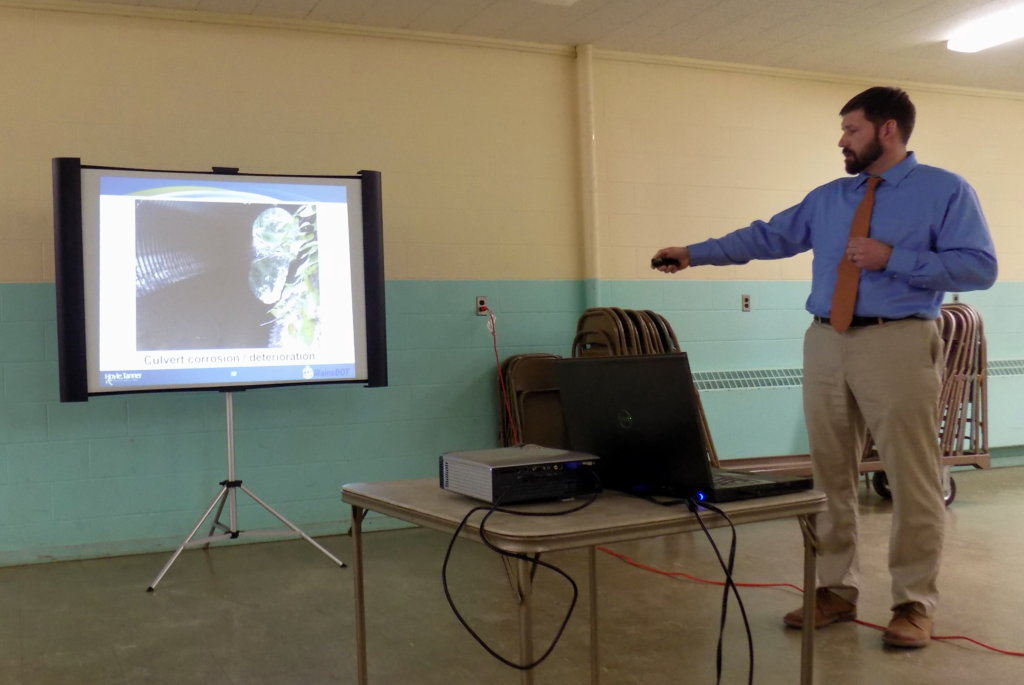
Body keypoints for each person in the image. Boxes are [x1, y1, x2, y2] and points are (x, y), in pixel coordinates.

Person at [652, 86, 997, 649]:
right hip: (827, 341)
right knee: (829, 475)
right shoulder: (831, 197)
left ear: (888, 130)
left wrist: (895, 259)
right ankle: (835, 589)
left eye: (852, 129)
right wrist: (694, 252)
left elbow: (979, 267)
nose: (842, 140)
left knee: (912, 478)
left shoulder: (945, 190)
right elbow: (767, 235)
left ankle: (914, 603)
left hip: (900, 341)